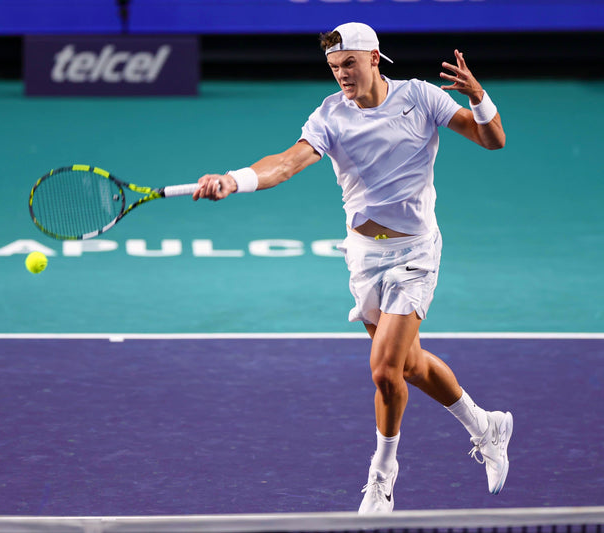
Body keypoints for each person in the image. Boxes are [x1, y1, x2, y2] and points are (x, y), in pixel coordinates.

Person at [192, 22, 513, 514]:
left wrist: (479, 97)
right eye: (334, 67)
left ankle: (381, 480)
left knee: (384, 370)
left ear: (375, 58)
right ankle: (486, 426)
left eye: (349, 64)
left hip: (415, 253)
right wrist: (233, 180)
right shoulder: (329, 115)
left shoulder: (421, 97)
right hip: (364, 257)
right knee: (408, 365)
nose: (341, 75)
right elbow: (286, 162)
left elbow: (493, 141)